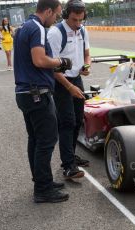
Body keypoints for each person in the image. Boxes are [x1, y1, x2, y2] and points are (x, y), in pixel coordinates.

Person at [14, 0, 73, 203]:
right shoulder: (37, 27)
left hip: (25, 93)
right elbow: (39, 60)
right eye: (56, 14)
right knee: (46, 141)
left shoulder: (23, 27)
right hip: (36, 93)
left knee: (36, 140)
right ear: (47, 11)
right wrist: (61, 62)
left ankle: (42, 180)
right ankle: (43, 189)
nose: (56, 18)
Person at [47, 0, 91, 179]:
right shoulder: (56, 33)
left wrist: (86, 65)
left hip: (76, 79)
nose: (78, 24)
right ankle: (67, 166)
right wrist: (69, 86)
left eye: (81, 20)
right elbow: (51, 66)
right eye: (74, 20)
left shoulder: (82, 30)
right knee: (67, 122)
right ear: (66, 15)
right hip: (61, 81)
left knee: (78, 120)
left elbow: (87, 53)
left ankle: (71, 156)